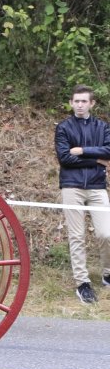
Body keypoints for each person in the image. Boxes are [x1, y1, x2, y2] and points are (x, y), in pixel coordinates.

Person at [55, 85, 110, 304]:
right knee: (76, 236)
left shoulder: (102, 127)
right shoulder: (63, 127)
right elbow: (64, 158)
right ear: (71, 103)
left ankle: (107, 274)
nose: (79, 105)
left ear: (91, 103)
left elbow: (109, 151)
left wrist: (82, 150)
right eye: (76, 101)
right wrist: (96, 159)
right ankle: (82, 284)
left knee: (106, 234)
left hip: (97, 186)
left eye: (84, 101)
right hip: (72, 186)